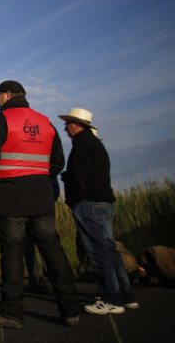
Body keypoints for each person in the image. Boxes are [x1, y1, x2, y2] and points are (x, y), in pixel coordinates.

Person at [0, 81, 79, 329]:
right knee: (52, 249)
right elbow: (57, 162)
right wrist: (40, 177)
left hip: (10, 195)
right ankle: (71, 311)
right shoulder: (45, 122)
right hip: (41, 195)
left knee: (12, 251)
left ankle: (12, 314)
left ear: (8, 94)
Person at [59, 107, 139, 314]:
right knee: (110, 250)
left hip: (89, 204)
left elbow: (80, 177)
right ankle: (126, 295)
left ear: (77, 125)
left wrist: (74, 200)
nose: (65, 128)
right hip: (103, 203)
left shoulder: (82, 145)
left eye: (68, 123)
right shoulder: (94, 144)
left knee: (98, 252)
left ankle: (111, 299)